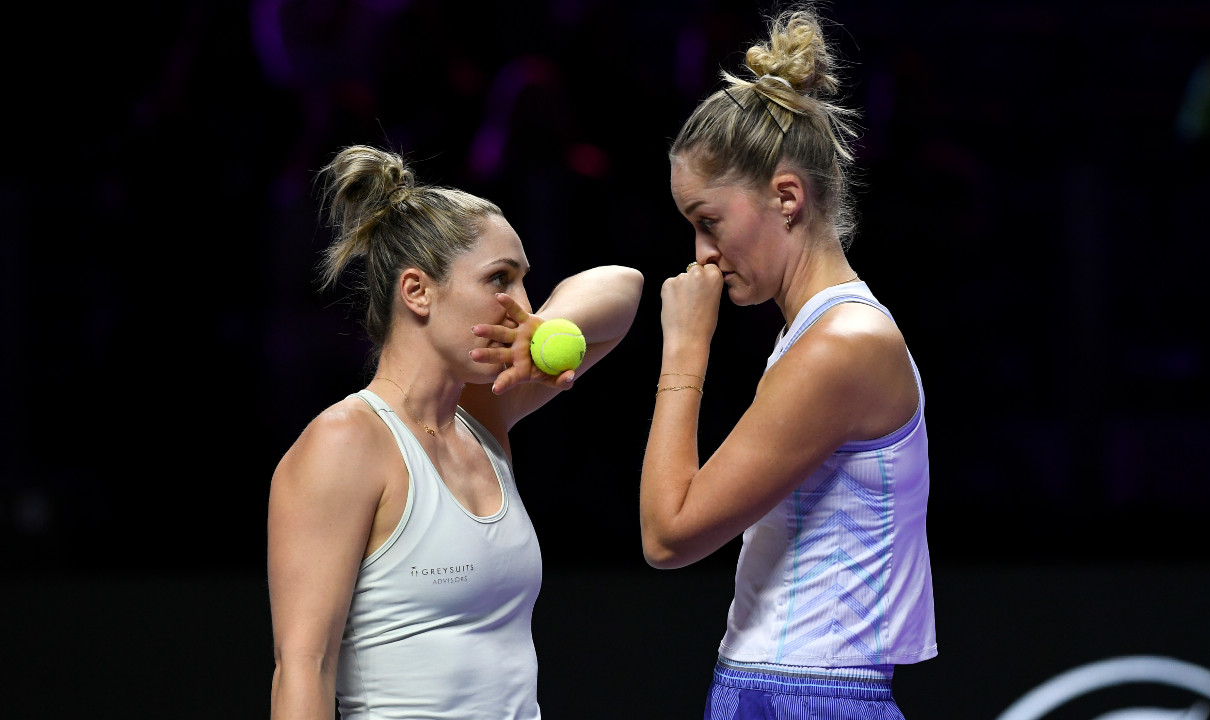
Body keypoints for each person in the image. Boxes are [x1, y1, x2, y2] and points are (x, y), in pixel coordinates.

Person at [267, 144, 642, 719]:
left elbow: (623, 286)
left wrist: (544, 332)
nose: (521, 305)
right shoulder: (346, 442)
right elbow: (304, 669)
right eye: (500, 280)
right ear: (417, 291)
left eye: (523, 282)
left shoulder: (483, 417)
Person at [639, 6, 937, 719]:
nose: (702, 254)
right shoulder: (817, 336)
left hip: (804, 697)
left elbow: (668, 534)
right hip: (779, 689)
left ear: (786, 196)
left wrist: (684, 348)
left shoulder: (841, 348)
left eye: (708, 222)